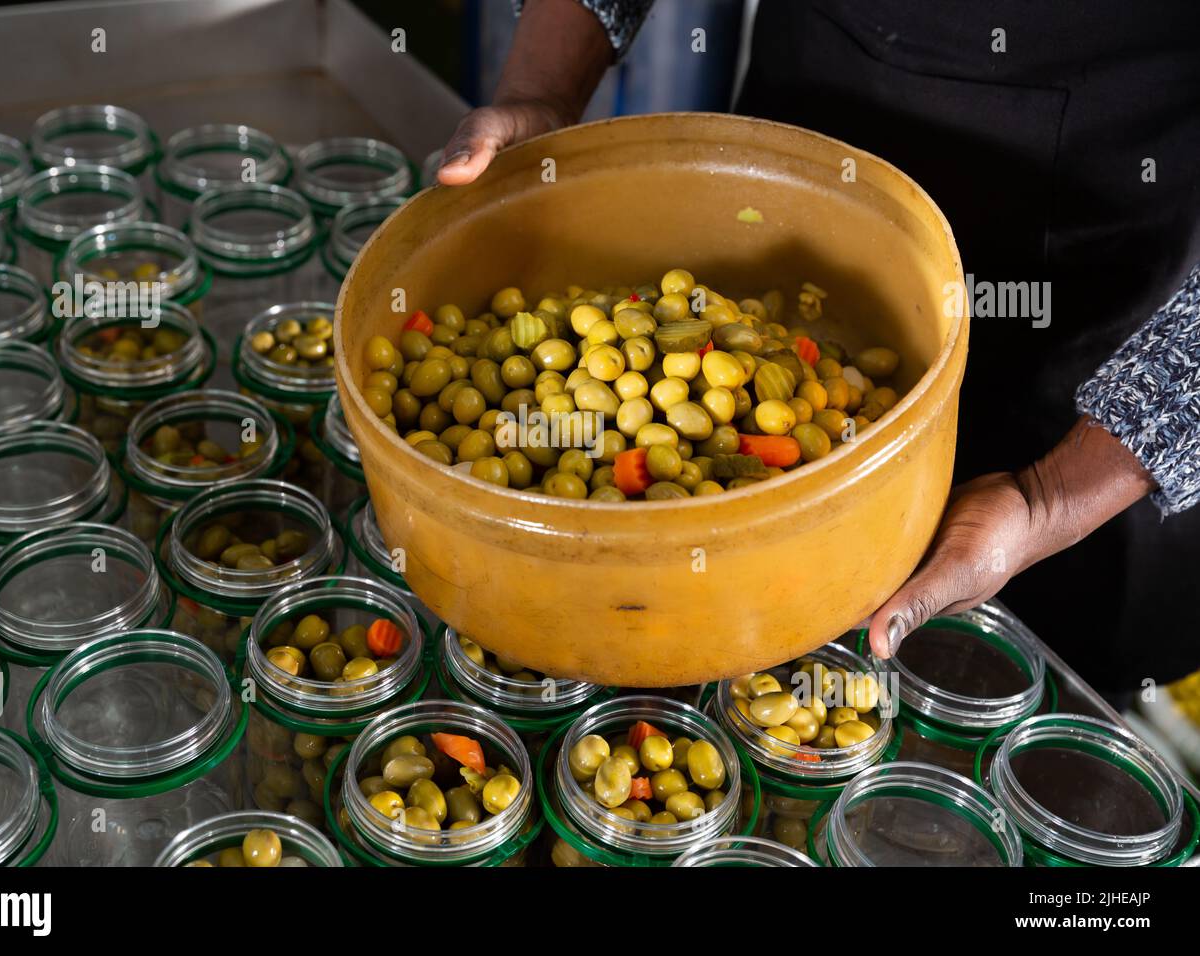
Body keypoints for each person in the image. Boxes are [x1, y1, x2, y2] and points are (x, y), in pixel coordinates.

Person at [436, 0, 1200, 696]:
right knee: (714, 652)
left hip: (1094, 304)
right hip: (805, 132)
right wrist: (544, 88)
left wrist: (1050, 496)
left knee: (1005, 716)